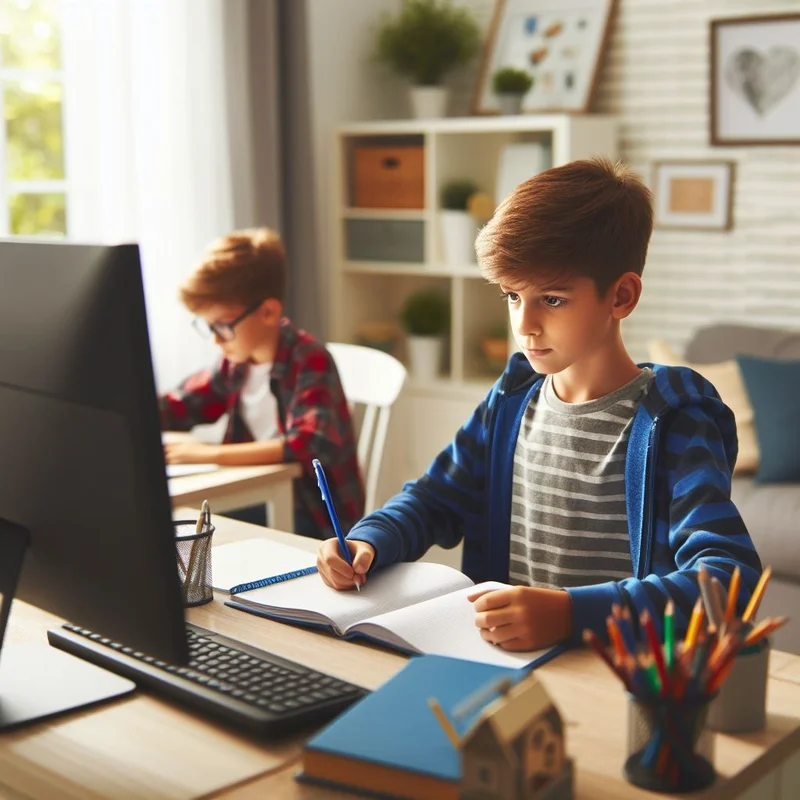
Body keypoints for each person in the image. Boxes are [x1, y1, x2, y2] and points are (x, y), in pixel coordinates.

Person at [316, 158, 762, 651]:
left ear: (622, 295)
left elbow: (728, 583)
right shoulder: (511, 399)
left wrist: (574, 614)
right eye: (512, 296)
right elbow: (436, 497)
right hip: (500, 670)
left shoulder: (675, 421)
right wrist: (369, 540)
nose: (524, 325)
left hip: (618, 679)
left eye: (551, 300)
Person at [159, 228, 364, 539]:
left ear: (268, 312)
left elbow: (306, 444)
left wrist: (206, 453)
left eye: (223, 326)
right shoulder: (235, 364)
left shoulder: (310, 360)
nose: (216, 338)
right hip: (261, 499)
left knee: (191, 532)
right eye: (208, 326)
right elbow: (181, 405)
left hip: (315, 519)